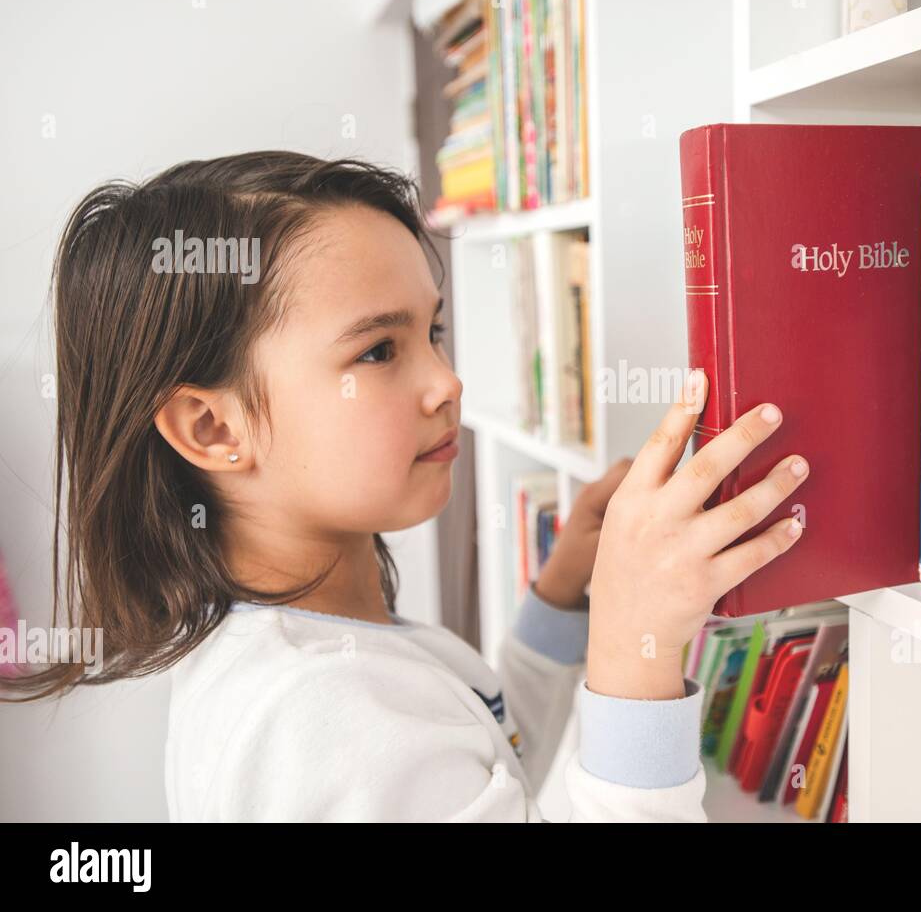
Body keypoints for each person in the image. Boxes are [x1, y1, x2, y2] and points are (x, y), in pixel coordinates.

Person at [3, 152, 810, 821]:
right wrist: (636, 652)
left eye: (433, 331)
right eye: (379, 352)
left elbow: (492, 778)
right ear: (214, 429)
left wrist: (562, 604)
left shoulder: (322, 646)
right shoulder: (318, 717)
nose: (447, 382)